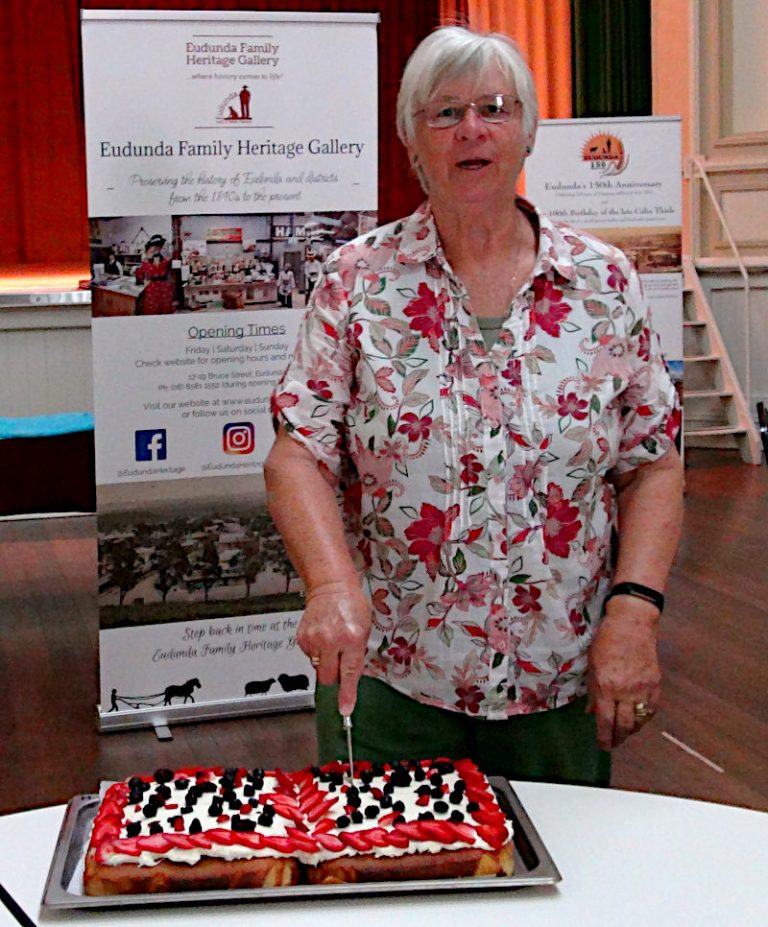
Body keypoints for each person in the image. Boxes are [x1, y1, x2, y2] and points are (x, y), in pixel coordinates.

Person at [264, 26, 683, 786]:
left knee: (556, 889)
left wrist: (635, 610)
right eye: (444, 112)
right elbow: (299, 448)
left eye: (493, 107)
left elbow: (651, 462)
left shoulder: (604, 282)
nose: (472, 129)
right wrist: (329, 584)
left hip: (559, 675)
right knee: (387, 888)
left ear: (527, 133)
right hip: (392, 674)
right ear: (411, 143)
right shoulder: (355, 281)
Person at [135, 236, 175, 315]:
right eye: (153, 251)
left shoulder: (166, 262)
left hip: (164, 290)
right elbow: (140, 276)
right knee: (153, 310)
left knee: (165, 310)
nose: (156, 253)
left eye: (158, 250)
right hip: (152, 290)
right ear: (147, 252)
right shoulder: (145, 264)